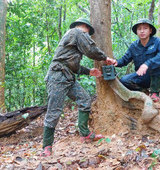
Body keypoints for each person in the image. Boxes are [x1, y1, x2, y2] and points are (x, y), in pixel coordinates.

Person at [41, 18, 114, 157]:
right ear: (85, 28)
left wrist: (89, 71)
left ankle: (85, 134)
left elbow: (72, 64)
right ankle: (46, 147)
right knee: (54, 111)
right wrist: (105, 58)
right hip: (57, 76)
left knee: (85, 99)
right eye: (88, 34)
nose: (88, 36)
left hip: (68, 77)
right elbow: (90, 50)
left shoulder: (73, 39)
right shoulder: (76, 32)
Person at [111, 18, 160, 102]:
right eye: (139, 29)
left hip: (158, 77)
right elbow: (124, 60)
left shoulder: (158, 42)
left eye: (145, 28)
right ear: (136, 32)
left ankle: (154, 92)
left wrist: (147, 64)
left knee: (156, 66)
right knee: (124, 80)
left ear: (150, 30)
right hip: (142, 77)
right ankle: (143, 92)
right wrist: (115, 62)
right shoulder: (134, 46)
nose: (142, 31)